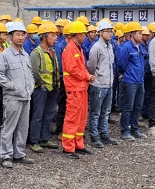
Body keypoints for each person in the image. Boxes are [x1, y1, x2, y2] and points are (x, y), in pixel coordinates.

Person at [0, 21, 35, 168]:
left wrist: (30, 87)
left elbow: (29, 74)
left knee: (23, 127)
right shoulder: (5, 55)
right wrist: (13, 87)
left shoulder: (25, 55)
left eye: (23, 34)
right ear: (10, 36)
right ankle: (6, 155)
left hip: (26, 96)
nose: (20, 37)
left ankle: (19, 154)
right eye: (17, 34)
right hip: (12, 97)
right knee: (8, 127)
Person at [60, 20, 94, 158]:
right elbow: (72, 69)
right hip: (74, 89)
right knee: (72, 118)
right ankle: (68, 147)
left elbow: (80, 67)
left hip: (81, 88)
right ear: (78, 34)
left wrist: (87, 77)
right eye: (83, 34)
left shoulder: (77, 48)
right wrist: (87, 76)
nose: (85, 36)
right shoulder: (70, 49)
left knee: (81, 118)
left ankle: (78, 144)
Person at [28, 22, 61, 153]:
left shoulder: (52, 51)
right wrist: (41, 84)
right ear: (44, 37)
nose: (55, 38)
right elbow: (35, 71)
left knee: (48, 115)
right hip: (41, 89)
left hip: (52, 88)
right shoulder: (36, 53)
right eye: (52, 35)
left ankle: (44, 138)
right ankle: (34, 141)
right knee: (38, 115)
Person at [86, 19, 116, 148]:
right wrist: (95, 78)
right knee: (95, 112)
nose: (110, 33)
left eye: (111, 31)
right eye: (107, 31)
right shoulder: (96, 47)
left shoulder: (109, 46)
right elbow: (91, 66)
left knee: (106, 112)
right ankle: (94, 136)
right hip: (98, 84)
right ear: (100, 32)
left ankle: (104, 134)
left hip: (108, 84)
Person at [116, 21, 146, 141]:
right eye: (139, 33)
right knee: (128, 107)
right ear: (132, 34)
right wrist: (123, 73)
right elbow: (121, 63)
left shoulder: (140, 47)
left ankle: (135, 128)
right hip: (130, 81)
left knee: (138, 106)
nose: (141, 35)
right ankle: (125, 130)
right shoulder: (127, 47)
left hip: (139, 80)